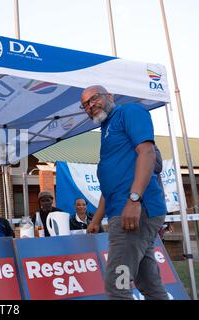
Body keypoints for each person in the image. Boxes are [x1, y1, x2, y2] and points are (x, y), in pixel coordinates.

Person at [81, 85, 168, 300]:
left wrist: (134, 199)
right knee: (149, 284)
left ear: (109, 96)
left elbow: (147, 153)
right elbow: (111, 185)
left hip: (135, 212)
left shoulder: (129, 112)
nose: (90, 106)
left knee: (117, 285)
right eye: (85, 105)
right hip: (124, 211)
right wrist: (96, 219)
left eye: (94, 99)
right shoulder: (106, 130)